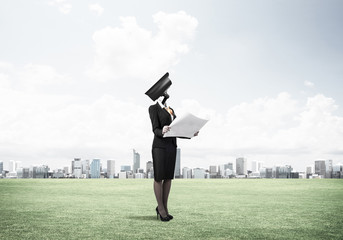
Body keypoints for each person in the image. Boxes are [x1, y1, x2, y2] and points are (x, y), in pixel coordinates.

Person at [149, 94, 198, 222]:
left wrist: (190, 134)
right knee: (159, 178)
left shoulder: (171, 110)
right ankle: (160, 209)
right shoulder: (153, 108)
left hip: (171, 146)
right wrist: (162, 130)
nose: (166, 93)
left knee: (168, 178)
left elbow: (177, 130)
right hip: (159, 147)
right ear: (158, 94)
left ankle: (165, 208)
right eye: (164, 91)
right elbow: (155, 129)